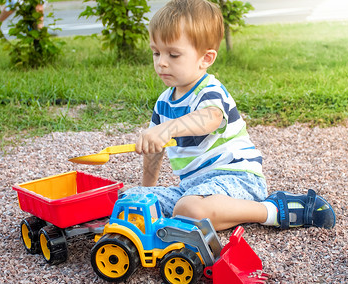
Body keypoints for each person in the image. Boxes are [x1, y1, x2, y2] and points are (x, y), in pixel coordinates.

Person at [123, 0, 336, 231]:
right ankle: (184, 212)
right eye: (156, 53)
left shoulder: (209, 91)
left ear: (206, 58)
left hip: (236, 178)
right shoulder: (164, 102)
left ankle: (272, 210)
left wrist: (168, 128)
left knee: (189, 210)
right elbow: (155, 151)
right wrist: (146, 193)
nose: (161, 62)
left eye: (173, 55)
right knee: (128, 200)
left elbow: (210, 118)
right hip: (193, 189)